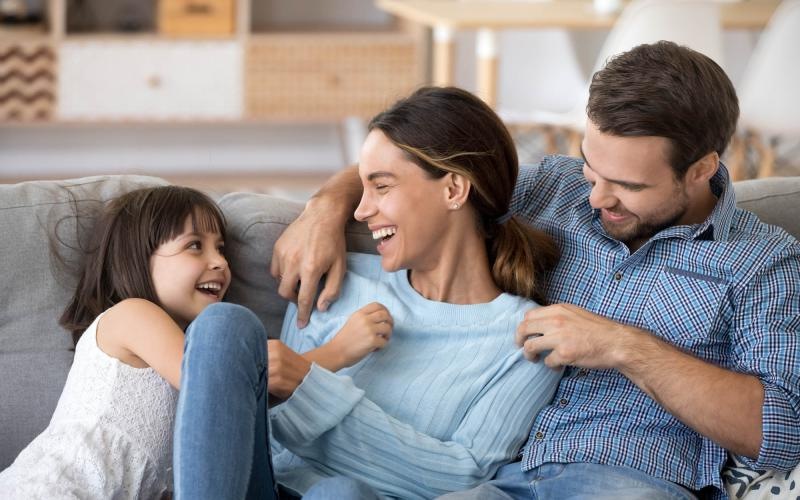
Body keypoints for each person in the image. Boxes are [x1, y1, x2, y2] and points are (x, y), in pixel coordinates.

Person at [271, 41, 800, 499]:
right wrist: (323, 208)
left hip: (629, 478)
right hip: (500, 476)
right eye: (592, 169)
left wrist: (624, 347)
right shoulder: (554, 187)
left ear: (702, 169)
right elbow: (427, 164)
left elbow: (782, 428)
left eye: (629, 187)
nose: (596, 198)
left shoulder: (761, 263)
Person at [172, 86, 563, 499]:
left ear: (453, 190)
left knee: (340, 494)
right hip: (258, 487)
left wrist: (310, 385)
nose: (360, 211)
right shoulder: (338, 279)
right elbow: (262, 434)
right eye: (362, 189)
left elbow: (459, 476)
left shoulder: (524, 342)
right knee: (224, 324)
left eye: (382, 187)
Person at [0, 186, 233, 499]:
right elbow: (225, 385)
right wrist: (316, 361)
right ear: (137, 259)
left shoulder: (179, 345)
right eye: (195, 245)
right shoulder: (134, 315)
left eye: (221, 249)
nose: (220, 262)